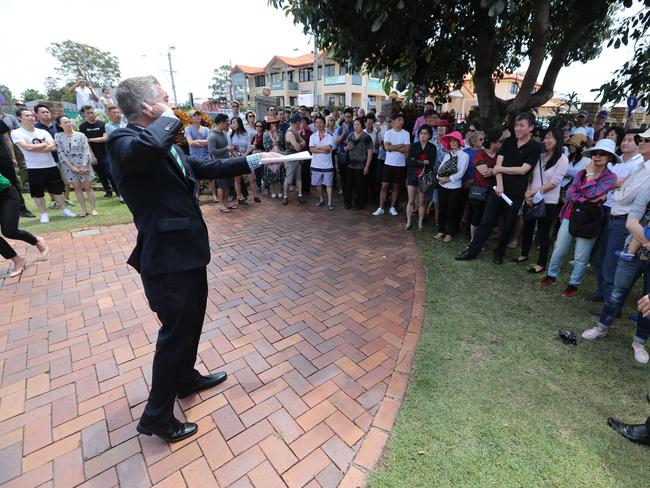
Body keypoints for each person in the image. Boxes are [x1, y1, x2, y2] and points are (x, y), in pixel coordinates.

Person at [107, 75, 279, 443]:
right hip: (167, 258)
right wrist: (170, 117)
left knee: (192, 320)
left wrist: (254, 159)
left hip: (188, 251)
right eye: (163, 97)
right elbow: (149, 149)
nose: (169, 100)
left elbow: (201, 169)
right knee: (174, 332)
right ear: (145, 105)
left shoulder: (163, 141)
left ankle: (186, 378)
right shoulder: (124, 140)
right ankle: (156, 415)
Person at [581, 134, 650, 364]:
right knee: (618, 285)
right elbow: (632, 213)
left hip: (633, 234)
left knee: (646, 299)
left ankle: (639, 341)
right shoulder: (641, 166)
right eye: (642, 139)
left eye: (646, 140)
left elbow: (622, 195)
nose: (642, 142)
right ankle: (602, 326)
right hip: (633, 238)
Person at [456, 112, 541, 263]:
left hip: (515, 193)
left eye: (522, 125)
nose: (518, 128)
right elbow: (498, 164)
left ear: (531, 128)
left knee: (508, 225)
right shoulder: (508, 142)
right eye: (516, 125)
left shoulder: (534, 147)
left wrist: (499, 170)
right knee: (486, 221)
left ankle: (499, 253)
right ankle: (472, 251)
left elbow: (523, 169)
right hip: (498, 189)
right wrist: (500, 185)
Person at [538, 138, 618, 298]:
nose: (598, 156)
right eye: (595, 153)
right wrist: (588, 199)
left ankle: (573, 285)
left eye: (603, 154)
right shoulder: (581, 173)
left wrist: (589, 178)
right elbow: (570, 194)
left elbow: (591, 193)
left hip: (591, 219)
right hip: (570, 213)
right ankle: (551, 276)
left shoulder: (611, 177)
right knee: (559, 249)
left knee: (581, 256)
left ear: (610, 158)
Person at [592, 131, 645, 301]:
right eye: (624, 139)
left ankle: (611, 303)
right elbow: (613, 185)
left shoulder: (643, 166)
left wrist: (613, 187)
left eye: (632, 140)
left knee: (612, 262)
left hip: (625, 218)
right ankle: (603, 295)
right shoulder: (628, 163)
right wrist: (615, 187)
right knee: (601, 257)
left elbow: (625, 193)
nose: (625, 143)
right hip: (611, 212)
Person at [514, 128, 569, 273]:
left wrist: (533, 191)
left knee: (543, 232)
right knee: (528, 227)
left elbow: (554, 183)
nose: (547, 140)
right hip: (531, 198)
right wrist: (527, 194)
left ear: (558, 140)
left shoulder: (562, 159)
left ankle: (541, 263)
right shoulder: (540, 156)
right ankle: (524, 254)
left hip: (548, 201)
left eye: (550, 137)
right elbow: (530, 176)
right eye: (545, 138)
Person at [11, 108, 77, 223]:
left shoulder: (42, 132)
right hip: (33, 167)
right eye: (27, 116)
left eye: (31, 115)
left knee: (57, 189)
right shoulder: (16, 133)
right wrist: (43, 145)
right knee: (38, 192)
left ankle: (64, 209)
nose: (31, 117)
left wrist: (35, 147)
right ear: (19, 118)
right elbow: (27, 148)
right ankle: (43, 214)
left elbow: (53, 147)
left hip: (50, 165)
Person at [0, 170, 49, 277]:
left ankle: (36, 241)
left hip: (6, 195)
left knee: (9, 231)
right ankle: (18, 260)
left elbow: (2, 183)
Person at [54, 116, 97, 217]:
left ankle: (94, 209)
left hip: (83, 162)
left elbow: (86, 150)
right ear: (60, 125)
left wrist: (84, 165)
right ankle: (83, 210)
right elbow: (60, 152)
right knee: (77, 188)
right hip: (68, 165)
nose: (68, 124)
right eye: (65, 122)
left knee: (88, 187)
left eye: (69, 122)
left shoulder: (80, 135)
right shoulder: (58, 136)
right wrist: (71, 167)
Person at [435, 131, 469, 242]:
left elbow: (461, 173)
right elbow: (440, 169)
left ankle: (450, 232)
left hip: (454, 187)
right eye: (451, 140)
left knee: (452, 210)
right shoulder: (447, 155)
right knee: (442, 208)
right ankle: (441, 230)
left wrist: (448, 179)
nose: (453, 142)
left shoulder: (464, 156)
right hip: (442, 185)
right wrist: (439, 178)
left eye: (455, 140)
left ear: (459, 142)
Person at [374, 112, 410, 216]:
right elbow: (387, 148)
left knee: (396, 187)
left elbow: (407, 149)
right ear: (393, 121)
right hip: (388, 164)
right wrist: (400, 146)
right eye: (399, 120)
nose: (401, 122)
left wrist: (393, 147)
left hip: (400, 164)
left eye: (402, 120)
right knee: (384, 186)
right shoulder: (388, 133)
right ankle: (381, 207)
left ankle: (392, 207)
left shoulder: (406, 133)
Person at [34, 104, 70, 206]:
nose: (46, 114)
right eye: (43, 112)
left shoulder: (57, 126)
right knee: (50, 180)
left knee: (65, 179)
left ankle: (66, 198)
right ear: (37, 114)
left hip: (62, 157)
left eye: (47, 112)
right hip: (46, 159)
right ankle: (54, 200)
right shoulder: (36, 129)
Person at [468, 130, 502, 240]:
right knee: (476, 216)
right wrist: (497, 170)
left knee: (488, 217)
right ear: (493, 142)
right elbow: (484, 172)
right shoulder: (480, 154)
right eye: (500, 141)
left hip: (493, 191)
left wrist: (494, 170)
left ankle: (482, 239)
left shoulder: (499, 156)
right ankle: (474, 239)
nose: (501, 144)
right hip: (480, 189)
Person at [79, 105, 118, 199]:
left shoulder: (102, 124)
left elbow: (105, 138)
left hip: (105, 153)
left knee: (109, 172)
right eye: (88, 113)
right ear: (84, 115)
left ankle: (118, 191)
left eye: (92, 112)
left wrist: (91, 139)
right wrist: (92, 156)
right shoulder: (83, 127)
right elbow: (85, 143)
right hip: (93, 154)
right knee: (100, 174)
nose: (91, 114)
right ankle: (108, 191)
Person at [0, 118, 33, 217]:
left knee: (12, 182)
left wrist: (13, 157)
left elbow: (7, 138)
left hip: (2, 157)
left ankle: (22, 209)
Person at [405, 124, 436, 231]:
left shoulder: (432, 147)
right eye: (421, 133)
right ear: (419, 135)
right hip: (412, 175)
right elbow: (409, 161)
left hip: (424, 177)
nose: (423, 136)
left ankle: (420, 223)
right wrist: (422, 162)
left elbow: (431, 164)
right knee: (411, 200)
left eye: (426, 134)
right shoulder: (414, 146)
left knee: (422, 201)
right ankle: (409, 222)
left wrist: (416, 161)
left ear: (429, 136)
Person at [207, 113, 235, 212]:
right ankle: (221, 204)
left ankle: (226, 202)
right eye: (226, 122)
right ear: (221, 123)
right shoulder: (212, 136)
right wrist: (226, 149)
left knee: (227, 184)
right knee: (221, 185)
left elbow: (224, 148)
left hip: (226, 162)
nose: (228, 124)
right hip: (218, 163)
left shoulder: (223, 133)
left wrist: (228, 150)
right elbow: (212, 152)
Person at [229, 116, 260, 203]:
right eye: (231, 123)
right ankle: (239, 197)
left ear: (239, 123)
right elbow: (230, 147)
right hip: (235, 159)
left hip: (246, 157)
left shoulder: (245, 133)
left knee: (251, 178)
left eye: (234, 122)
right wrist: (237, 155)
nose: (232, 124)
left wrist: (245, 154)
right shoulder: (230, 135)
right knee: (237, 179)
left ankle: (255, 195)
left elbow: (249, 146)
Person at [344, 117, 373, 210]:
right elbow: (346, 147)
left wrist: (367, 166)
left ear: (362, 125)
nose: (356, 126)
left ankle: (359, 203)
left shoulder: (366, 137)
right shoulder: (351, 135)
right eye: (354, 124)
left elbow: (370, 152)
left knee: (359, 185)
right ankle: (347, 202)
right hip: (350, 164)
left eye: (358, 124)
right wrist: (347, 148)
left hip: (361, 165)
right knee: (348, 184)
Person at [309, 115, 335, 210]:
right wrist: (322, 149)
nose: (319, 124)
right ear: (315, 124)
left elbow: (329, 148)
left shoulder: (330, 135)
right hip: (316, 164)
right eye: (317, 123)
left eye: (321, 122)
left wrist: (317, 147)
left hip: (327, 164)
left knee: (329, 184)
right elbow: (311, 149)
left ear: (324, 124)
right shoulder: (312, 136)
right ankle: (321, 199)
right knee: (318, 184)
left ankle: (329, 202)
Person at [281, 113, 307, 205]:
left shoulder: (294, 131)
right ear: (296, 122)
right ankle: (285, 196)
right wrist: (300, 144)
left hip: (297, 158)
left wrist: (300, 144)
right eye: (299, 122)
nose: (300, 123)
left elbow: (303, 142)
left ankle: (300, 195)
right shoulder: (290, 133)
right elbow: (298, 147)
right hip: (290, 159)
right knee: (288, 179)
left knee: (298, 178)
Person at [262, 115, 284, 198]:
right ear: (268, 124)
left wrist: (275, 133)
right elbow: (266, 146)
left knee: (279, 174)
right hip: (270, 156)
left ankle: (279, 191)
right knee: (271, 175)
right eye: (271, 123)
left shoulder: (280, 132)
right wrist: (274, 143)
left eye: (274, 122)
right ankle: (273, 191)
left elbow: (280, 142)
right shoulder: (265, 134)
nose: (273, 124)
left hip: (278, 155)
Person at [335, 108, 354, 194]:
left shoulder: (355, 127)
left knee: (350, 174)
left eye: (349, 117)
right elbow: (337, 142)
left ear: (352, 117)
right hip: (342, 154)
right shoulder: (340, 127)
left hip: (352, 154)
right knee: (342, 173)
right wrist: (343, 133)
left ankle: (349, 189)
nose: (347, 119)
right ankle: (342, 188)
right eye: (346, 117)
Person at [364, 113, 380, 204]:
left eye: (371, 123)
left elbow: (377, 146)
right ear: (365, 123)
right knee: (364, 177)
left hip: (374, 156)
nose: (370, 125)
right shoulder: (362, 132)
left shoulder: (376, 132)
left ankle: (372, 197)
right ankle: (364, 196)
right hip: (364, 157)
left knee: (373, 177)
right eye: (368, 123)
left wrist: (377, 134)